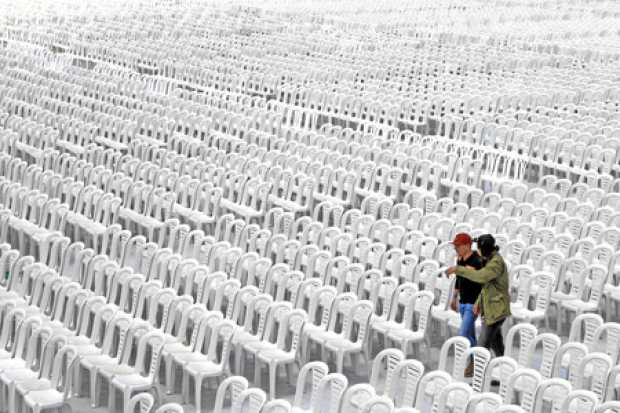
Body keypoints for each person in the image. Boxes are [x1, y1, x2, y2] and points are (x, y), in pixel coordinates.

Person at [447, 234, 510, 358]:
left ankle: (480, 374)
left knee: (481, 349)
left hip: (496, 310)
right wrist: (478, 302)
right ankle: (502, 368)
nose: (477, 250)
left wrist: (458, 269)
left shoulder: (496, 263)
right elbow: (486, 286)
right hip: (491, 307)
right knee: (496, 344)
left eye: (479, 247)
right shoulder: (489, 259)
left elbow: (481, 276)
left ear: (485, 248)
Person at [449, 233, 483, 376]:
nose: (456, 248)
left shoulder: (477, 261)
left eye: (458, 246)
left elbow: (484, 284)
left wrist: (478, 303)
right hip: (463, 301)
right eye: (455, 246)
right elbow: (459, 279)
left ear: (467, 245)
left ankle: (476, 361)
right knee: (470, 334)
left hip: (472, 303)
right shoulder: (460, 259)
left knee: (463, 334)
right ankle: (476, 362)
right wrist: (454, 297)